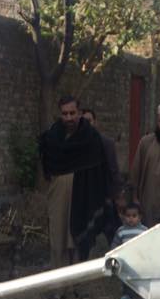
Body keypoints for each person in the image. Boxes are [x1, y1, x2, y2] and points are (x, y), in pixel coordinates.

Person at [39, 96, 109, 271]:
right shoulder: (52, 137)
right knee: (58, 237)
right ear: (60, 114)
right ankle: (59, 281)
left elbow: (100, 167)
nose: (69, 117)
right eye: (65, 114)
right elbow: (45, 165)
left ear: (79, 112)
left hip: (84, 191)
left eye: (72, 113)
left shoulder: (91, 137)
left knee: (79, 236)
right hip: (58, 192)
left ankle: (78, 280)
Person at [82, 107, 122, 246]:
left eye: (89, 121)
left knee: (111, 236)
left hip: (104, 199)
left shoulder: (106, 143)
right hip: (84, 202)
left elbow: (113, 170)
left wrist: (116, 196)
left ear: (95, 122)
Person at [110, 202, 147, 299]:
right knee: (126, 278)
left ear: (140, 217)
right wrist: (113, 253)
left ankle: (143, 294)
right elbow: (115, 243)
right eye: (128, 216)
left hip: (140, 259)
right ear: (123, 217)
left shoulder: (144, 230)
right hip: (126, 260)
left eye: (134, 216)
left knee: (141, 277)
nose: (131, 218)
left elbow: (148, 244)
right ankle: (126, 294)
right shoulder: (121, 231)